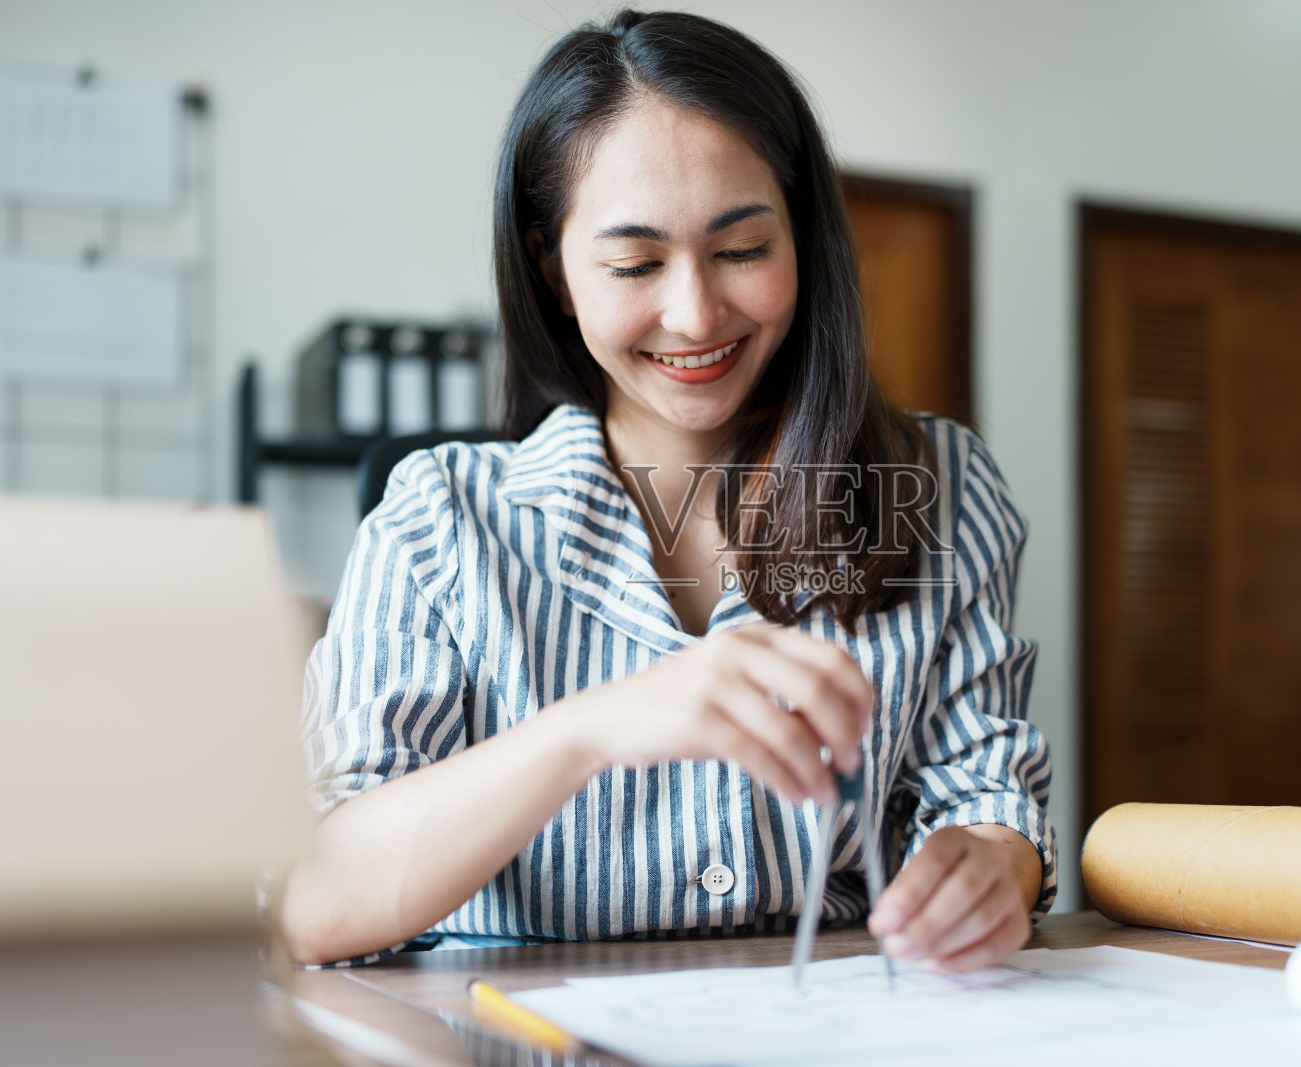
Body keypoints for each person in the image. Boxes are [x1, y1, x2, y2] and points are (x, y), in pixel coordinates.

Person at [279, 8, 1056, 972]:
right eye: (634, 264)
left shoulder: (939, 487)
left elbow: (987, 798)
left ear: (803, 240)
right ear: (554, 271)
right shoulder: (438, 519)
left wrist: (987, 866)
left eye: (741, 251)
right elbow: (316, 897)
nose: (694, 314)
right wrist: (591, 727)